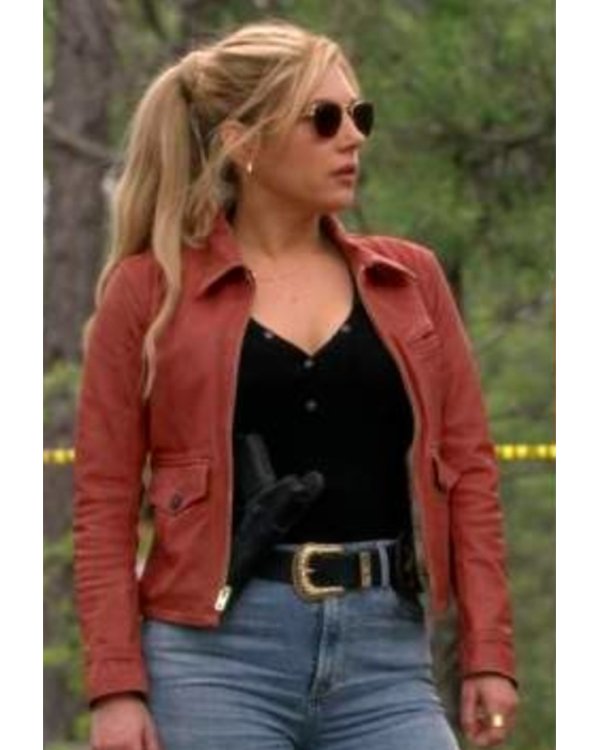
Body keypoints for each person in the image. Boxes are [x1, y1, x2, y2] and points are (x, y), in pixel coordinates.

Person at [73, 18, 519, 750]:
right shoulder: (149, 291)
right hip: (213, 664)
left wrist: (488, 653)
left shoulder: (410, 280)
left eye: (359, 114)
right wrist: (116, 687)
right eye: (325, 119)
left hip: (387, 662)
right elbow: (104, 501)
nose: (354, 137)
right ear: (243, 142)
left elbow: (469, 471)